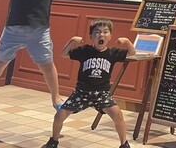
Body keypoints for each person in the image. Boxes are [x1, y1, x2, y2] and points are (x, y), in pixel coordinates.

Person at [41, 18, 136, 148]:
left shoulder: (113, 53)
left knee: (118, 115)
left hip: (102, 94)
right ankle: (53, 141)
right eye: (97, 32)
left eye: (105, 32)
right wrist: (72, 41)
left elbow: (132, 53)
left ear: (110, 36)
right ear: (91, 36)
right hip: (81, 93)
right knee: (59, 116)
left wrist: (127, 42)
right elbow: (64, 54)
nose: (101, 35)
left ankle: (124, 144)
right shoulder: (85, 51)